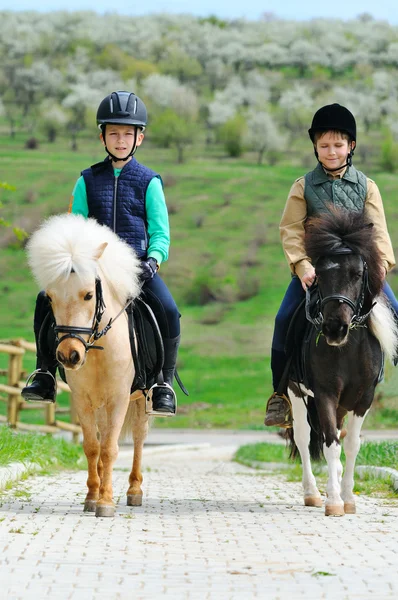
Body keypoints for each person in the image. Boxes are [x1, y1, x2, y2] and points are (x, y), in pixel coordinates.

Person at [22, 90, 181, 416]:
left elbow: (161, 232)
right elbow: (73, 226)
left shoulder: (150, 182)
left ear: (139, 138)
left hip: (134, 268)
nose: (120, 140)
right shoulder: (86, 181)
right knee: (43, 298)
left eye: (127, 133)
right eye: (113, 133)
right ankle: (44, 373)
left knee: (169, 308)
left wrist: (153, 261)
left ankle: (162, 383)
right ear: (102, 137)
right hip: (89, 267)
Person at [264, 103, 398, 428]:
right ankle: (279, 395)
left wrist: (379, 269)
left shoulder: (367, 186)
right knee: (283, 320)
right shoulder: (303, 186)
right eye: (324, 145)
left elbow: (378, 232)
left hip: (359, 273)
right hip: (316, 274)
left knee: (395, 311)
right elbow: (291, 230)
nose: (331, 151)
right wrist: (302, 265)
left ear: (351, 146)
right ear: (315, 147)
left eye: (338, 145)